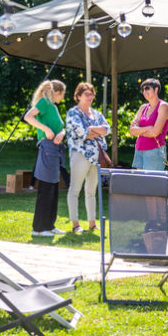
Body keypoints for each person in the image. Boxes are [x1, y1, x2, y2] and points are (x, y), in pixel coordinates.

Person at [23, 80, 66, 237]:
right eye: (63, 93)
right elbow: (28, 116)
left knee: (53, 188)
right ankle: (38, 228)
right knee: (46, 188)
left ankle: (49, 225)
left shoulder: (53, 107)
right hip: (47, 148)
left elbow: (61, 128)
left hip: (55, 150)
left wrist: (62, 133)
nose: (63, 97)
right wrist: (45, 129)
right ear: (57, 92)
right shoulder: (45, 102)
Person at [65, 82, 109, 234]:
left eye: (92, 94)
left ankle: (92, 223)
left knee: (92, 191)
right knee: (75, 189)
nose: (90, 97)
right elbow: (80, 133)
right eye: (87, 94)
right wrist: (95, 131)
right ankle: (75, 224)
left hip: (96, 157)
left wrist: (90, 129)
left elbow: (107, 129)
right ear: (78, 96)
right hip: (80, 155)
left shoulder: (96, 114)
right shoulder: (73, 113)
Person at [129, 78, 168, 171]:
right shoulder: (143, 107)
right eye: (143, 89)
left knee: (151, 183)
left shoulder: (163, 106)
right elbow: (132, 131)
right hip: (139, 150)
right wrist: (148, 128)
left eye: (147, 88)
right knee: (139, 183)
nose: (144, 91)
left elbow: (155, 132)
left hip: (154, 150)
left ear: (156, 89)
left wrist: (139, 131)